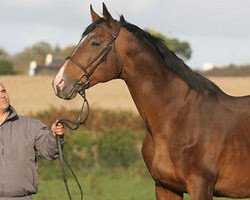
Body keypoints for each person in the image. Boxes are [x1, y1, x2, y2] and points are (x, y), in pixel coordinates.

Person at [0, 82, 65, 200]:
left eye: (3, 91)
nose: (3, 95)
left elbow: (49, 151)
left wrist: (55, 137)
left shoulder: (31, 126)